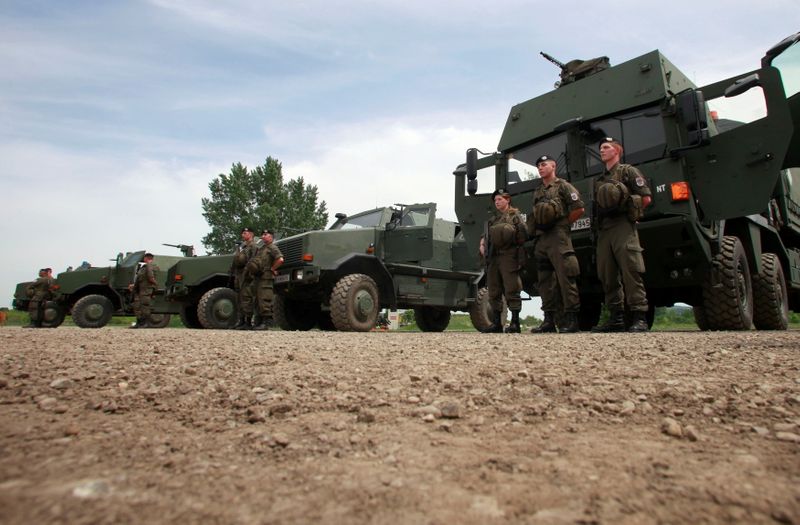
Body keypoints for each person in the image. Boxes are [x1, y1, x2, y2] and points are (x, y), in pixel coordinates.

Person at [591, 137, 652, 332]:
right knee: (607, 274)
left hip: (623, 226)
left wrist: (628, 208)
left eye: (606, 147)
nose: (602, 150)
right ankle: (616, 317)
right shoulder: (599, 180)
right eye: (601, 148)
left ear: (617, 150)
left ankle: (639, 315)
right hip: (605, 229)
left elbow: (646, 198)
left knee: (631, 270)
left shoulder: (628, 171)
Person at [528, 155, 585, 333]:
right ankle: (549, 320)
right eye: (538, 166)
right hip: (542, 239)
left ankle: (571, 319)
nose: (540, 168)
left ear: (553, 166)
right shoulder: (538, 191)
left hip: (558, 237)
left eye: (544, 165)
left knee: (565, 277)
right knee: (545, 281)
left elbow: (579, 208)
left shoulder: (563, 186)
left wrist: (564, 225)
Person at [479, 188, 527, 333]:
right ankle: (496, 323)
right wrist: (482, 244)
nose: (497, 202)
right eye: (495, 200)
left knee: (512, 287)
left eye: (500, 199)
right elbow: (485, 236)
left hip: (509, 256)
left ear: (507, 199)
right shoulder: (493, 220)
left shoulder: (515, 216)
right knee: (494, 289)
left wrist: (514, 247)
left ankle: (515, 322)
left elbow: (524, 234)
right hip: (494, 257)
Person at [248, 229, 285, 331]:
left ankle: (265, 323)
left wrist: (273, 268)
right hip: (258, 278)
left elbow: (280, 259)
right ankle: (258, 322)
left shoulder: (272, 247)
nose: (263, 236)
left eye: (265, 234)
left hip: (266, 278)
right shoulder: (262, 248)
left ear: (271, 237)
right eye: (262, 235)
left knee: (264, 299)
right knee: (257, 300)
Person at [231, 227, 262, 330]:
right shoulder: (242, 247)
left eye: (245, 233)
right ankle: (241, 320)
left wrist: (249, 274)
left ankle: (248, 322)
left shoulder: (253, 247)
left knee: (246, 298)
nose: (243, 235)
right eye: (243, 233)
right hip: (239, 275)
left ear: (251, 234)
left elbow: (253, 261)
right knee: (239, 298)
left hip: (247, 275)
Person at [129, 253, 159, 328]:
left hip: (145, 291)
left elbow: (151, 278)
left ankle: (145, 323)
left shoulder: (149, 265)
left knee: (144, 307)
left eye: (144, 258)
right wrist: (134, 286)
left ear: (146, 258)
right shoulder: (144, 267)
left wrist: (155, 287)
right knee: (137, 307)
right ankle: (139, 323)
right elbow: (141, 279)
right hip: (140, 290)